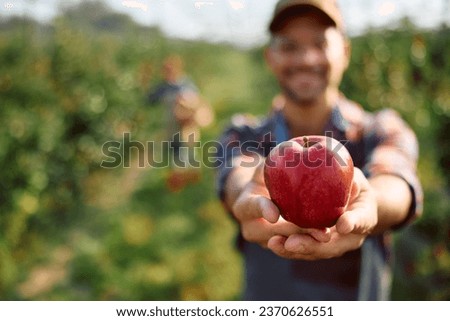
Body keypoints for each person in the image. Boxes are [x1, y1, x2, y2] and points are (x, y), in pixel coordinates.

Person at [215, 0, 423, 300]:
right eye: (289, 46)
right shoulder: (244, 133)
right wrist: (249, 191)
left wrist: (370, 204)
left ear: (345, 53)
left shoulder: (380, 128)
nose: (306, 58)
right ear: (270, 57)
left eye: (320, 43)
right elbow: (237, 175)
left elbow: (397, 182)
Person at [147, 55, 214, 191]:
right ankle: (184, 183)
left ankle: (186, 184)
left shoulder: (186, 85)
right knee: (177, 153)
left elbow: (195, 102)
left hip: (185, 127)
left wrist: (186, 105)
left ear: (177, 69)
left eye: (170, 70)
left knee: (185, 153)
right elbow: (150, 99)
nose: (167, 73)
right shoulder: (163, 87)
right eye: (165, 70)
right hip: (170, 127)